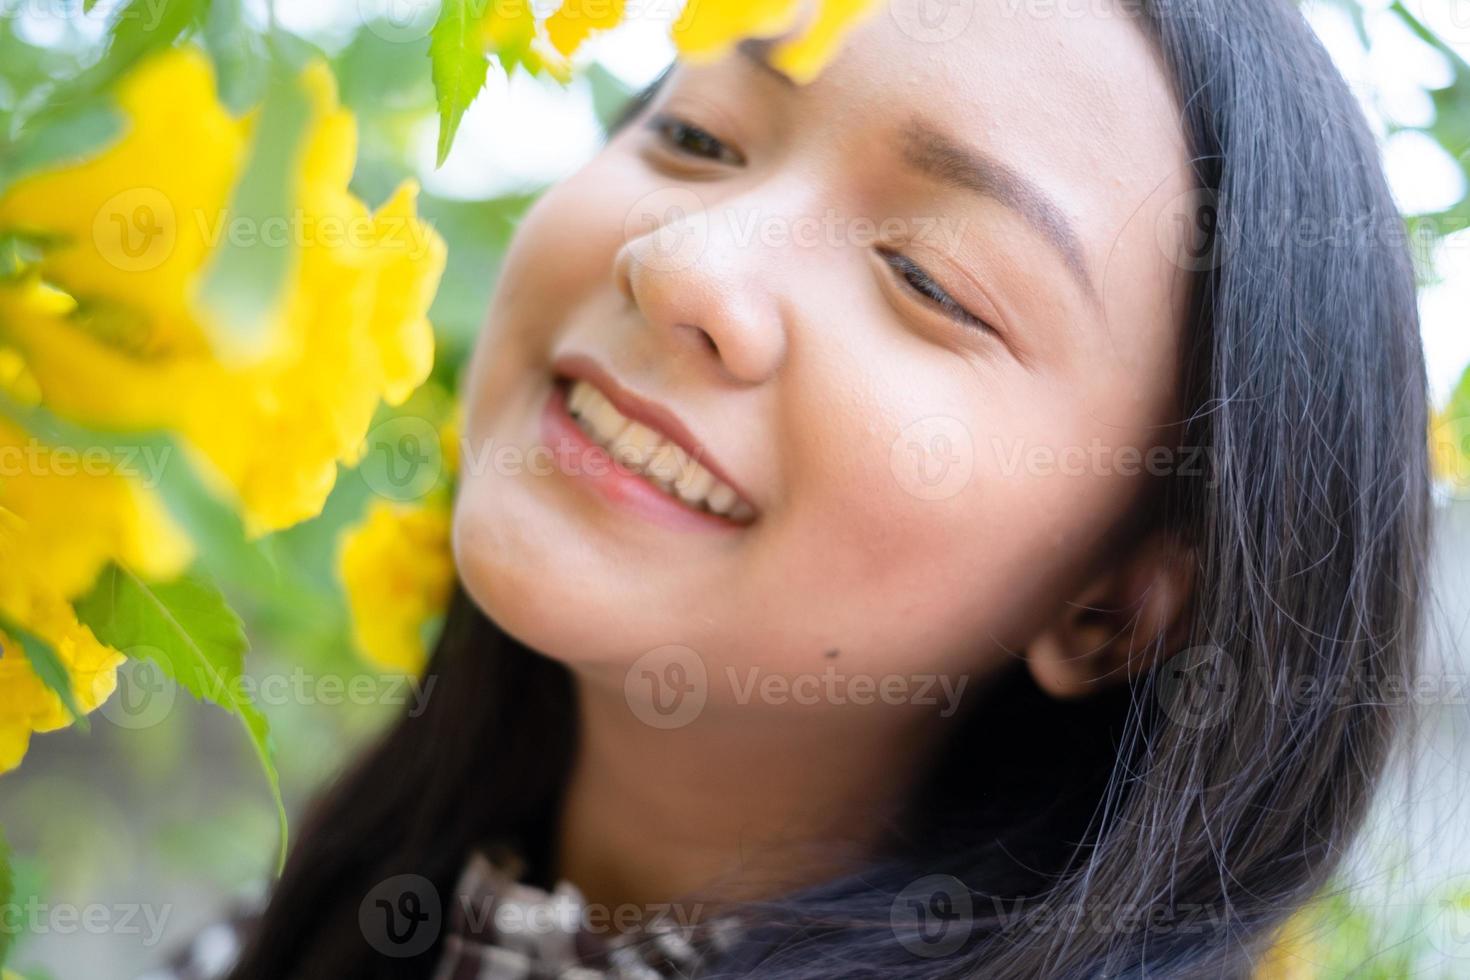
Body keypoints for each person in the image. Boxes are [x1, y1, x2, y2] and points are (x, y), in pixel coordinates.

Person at [210, 0, 1430, 977]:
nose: (681, 263)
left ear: (1119, 605)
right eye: (696, 137)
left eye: (931, 279)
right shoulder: (277, 934)